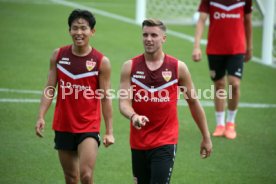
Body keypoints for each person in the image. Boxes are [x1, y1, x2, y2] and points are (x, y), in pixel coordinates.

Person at [119, 19, 212, 184]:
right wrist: (134, 117)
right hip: (138, 142)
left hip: (165, 141)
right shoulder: (130, 67)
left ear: (164, 38)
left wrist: (206, 137)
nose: (149, 39)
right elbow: (124, 103)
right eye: (145, 35)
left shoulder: (178, 68)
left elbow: (193, 103)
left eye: (154, 35)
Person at [35, 9, 115, 184]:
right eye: (75, 28)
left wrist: (109, 131)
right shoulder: (58, 56)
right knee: (71, 178)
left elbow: (105, 97)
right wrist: (41, 115)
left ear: (92, 32)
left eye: (83, 28)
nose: (79, 32)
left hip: (88, 126)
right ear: (69, 30)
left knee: (86, 175)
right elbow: (50, 88)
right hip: (63, 124)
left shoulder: (101, 61)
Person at [192, 0, 253, 139]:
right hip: (215, 49)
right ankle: (220, 124)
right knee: (219, 84)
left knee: (234, 84)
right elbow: (201, 20)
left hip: (237, 49)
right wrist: (196, 46)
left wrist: (249, 47)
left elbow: (248, 21)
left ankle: (230, 122)